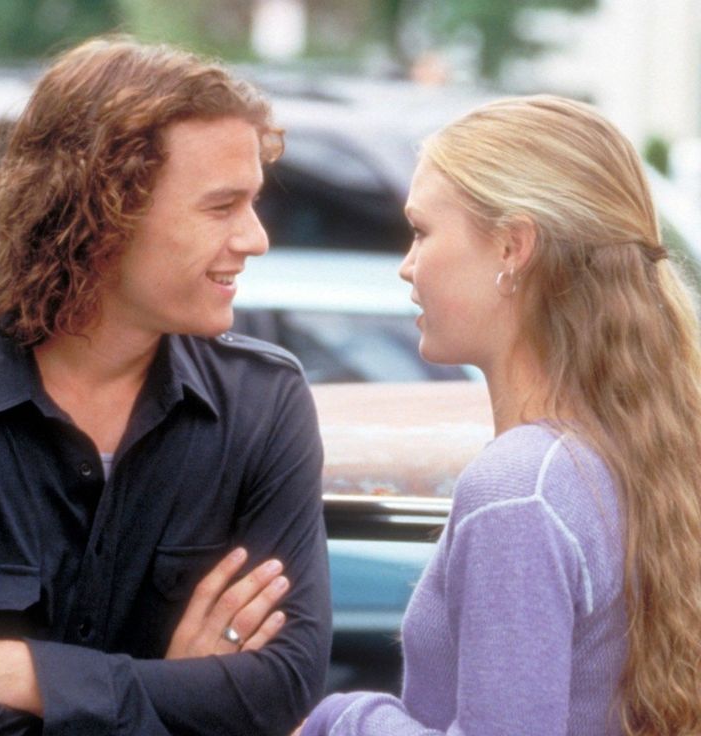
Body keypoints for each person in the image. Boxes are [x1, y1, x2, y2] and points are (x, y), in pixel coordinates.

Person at [297, 95, 701, 736]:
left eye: (422, 231)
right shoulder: (644, 449)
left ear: (513, 247)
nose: (406, 265)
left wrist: (343, 717)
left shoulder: (521, 489)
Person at [0, 36, 331, 735]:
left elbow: (280, 686)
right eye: (222, 207)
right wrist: (168, 692)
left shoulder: (262, 404)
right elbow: (229, 702)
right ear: (102, 214)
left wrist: (19, 673)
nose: (256, 238)